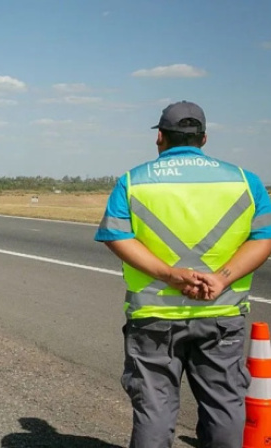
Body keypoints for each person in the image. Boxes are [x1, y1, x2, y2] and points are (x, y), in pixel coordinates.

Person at [95, 101, 271, 448]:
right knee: (224, 408)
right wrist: (221, 279)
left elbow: (116, 237)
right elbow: (262, 239)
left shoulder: (133, 182)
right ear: (204, 139)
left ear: (160, 137)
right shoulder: (246, 182)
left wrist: (170, 275)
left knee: (154, 411)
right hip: (221, 314)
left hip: (153, 316)